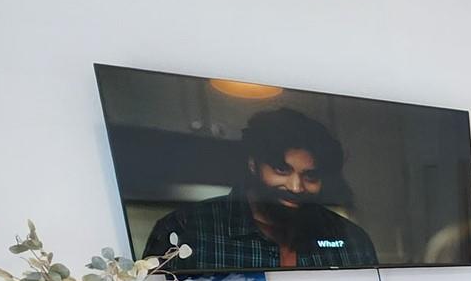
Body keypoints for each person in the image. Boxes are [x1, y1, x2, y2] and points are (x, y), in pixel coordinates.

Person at [143, 108, 378, 269]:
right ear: (254, 165)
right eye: (281, 170)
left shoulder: (353, 241)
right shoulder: (184, 230)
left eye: (310, 176)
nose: (296, 187)